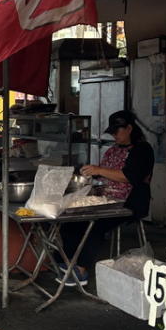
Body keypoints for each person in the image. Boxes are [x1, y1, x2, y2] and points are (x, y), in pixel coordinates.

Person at [59, 110, 154, 286]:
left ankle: (81, 269)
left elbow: (129, 176)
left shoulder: (143, 150)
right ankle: (67, 262)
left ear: (129, 128)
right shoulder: (112, 151)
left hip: (128, 202)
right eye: (112, 132)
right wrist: (89, 174)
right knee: (70, 222)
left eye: (117, 131)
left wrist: (99, 170)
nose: (114, 135)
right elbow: (102, 174)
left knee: (94, 225)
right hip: (104, 199)